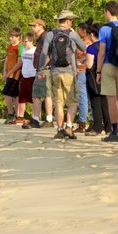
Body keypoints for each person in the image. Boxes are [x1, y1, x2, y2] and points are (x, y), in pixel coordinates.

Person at [38, 10, 87, 139]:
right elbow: (84, 48)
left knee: (58, 102)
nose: (72, 23)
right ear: (67, 21)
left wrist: (40, 70)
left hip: (55, 72)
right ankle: (69, 127)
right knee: (73, 101)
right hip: (70, 72)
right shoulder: (72, 34)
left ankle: (59, 129)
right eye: (71, 20)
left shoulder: (50, 34)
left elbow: (44, 54)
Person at [97, 1, 118, 143]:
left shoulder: (104, 29)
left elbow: (101, 52)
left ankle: (115, 131)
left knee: (111, 100)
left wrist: (98, 71)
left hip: (108, 65)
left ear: (108, 12)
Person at [23, 19, 52, 129]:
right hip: (44, 69)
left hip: (43, 70)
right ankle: (48, 119)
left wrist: (41, 67)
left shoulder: (44, 37)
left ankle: (36, 119)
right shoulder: (42, 38)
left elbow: (49, 54)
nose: (32, 28)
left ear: (41, 26)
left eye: (34, 26)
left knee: (37, 95)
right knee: (46, 94)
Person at [84, 23, 111, 136]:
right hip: (106, 74)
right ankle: (109, 127)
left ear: (91, 34)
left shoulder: (91, 47)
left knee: (96, 102)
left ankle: (97, 127)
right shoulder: (106, 45)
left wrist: (83, 62)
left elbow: (89, 65)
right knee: (105, 101)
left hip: (93, 75)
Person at [2, 27, 23, 124]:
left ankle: (12, 114)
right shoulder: (9, 47)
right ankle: (15, 115)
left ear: (18, 37)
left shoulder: (20, 47)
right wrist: (4, 72)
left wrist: (10, 72)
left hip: (16, 75)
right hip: (9, 74)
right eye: (10, 36)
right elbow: (6, 60)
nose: (10, 38)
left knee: (7, 93)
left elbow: (19, 62)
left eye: (13, 36)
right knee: (14, 95)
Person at [15, 32, 37, 123]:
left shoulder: (35, 50)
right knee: (22, 97)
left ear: (31, 41)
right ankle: (20, 117)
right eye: (23, 41)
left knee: (33, 98)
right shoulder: (24, 50)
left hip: (33, 76)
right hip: (24, 76)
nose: (24, 43)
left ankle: (34, 117)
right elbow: (21, 62)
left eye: (26, 41)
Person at [74, 22, 92, 133]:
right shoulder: (92, 42)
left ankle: (82, 123)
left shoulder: (83, 44)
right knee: (90, 98)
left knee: (83, 99)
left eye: (78, 30)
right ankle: (93, 121)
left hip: (81, 71)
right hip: (89, 72)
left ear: (83, 31)